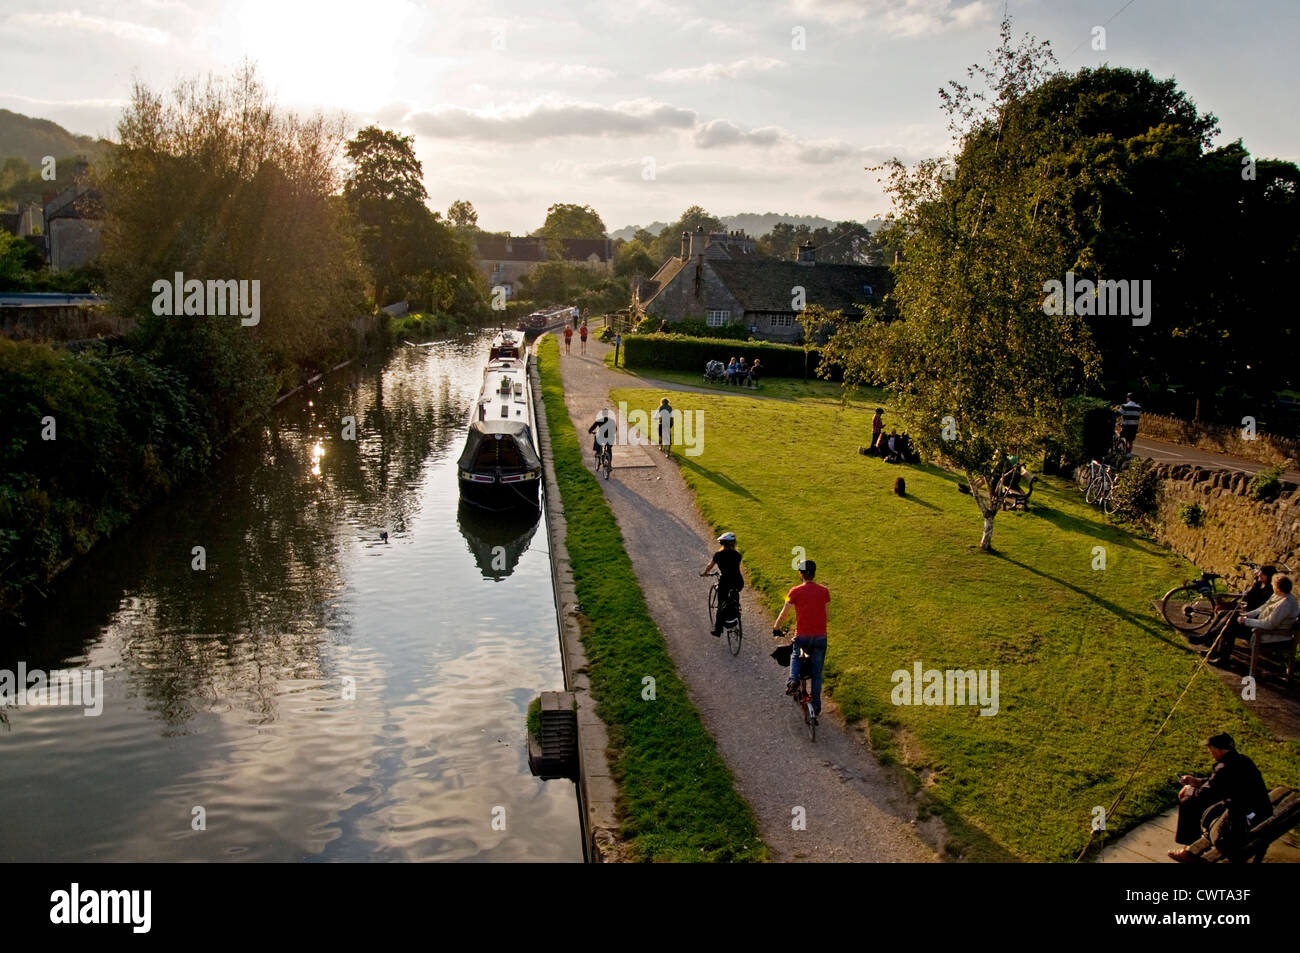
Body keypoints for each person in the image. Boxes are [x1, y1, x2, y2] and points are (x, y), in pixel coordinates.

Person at [1169, 733, 1273, 862]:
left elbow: (1206, 796)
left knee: (1189, 804)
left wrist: (1191, 791)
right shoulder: (1242, 760)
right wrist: (1197, 782)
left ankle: (1191, 850)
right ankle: (1191, 846)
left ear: (1217, 749)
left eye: (1210, 749)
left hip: (1244, 822)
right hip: (1261, 813)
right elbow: (1220, 784)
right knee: (1203, 807)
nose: (1210, 752)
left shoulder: (1225, 768)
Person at [772, 560, 830, 723]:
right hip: (820, 638)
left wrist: (776, 627)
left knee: (796, 655)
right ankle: (817, 705)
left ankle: (793, 681)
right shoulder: (824, 591)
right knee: (817, 674)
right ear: (814, 573)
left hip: (803, 637)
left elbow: (784, 614)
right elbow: (828, 616)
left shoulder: (795, 591)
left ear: (801, 574)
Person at [1207, 573, 1298, 667]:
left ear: (1278, 588)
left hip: (1268, 634)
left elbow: (1269, 624)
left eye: (1273, 586)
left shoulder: (1285, 604)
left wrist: (1246, 621)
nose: (1272, 587)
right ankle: (1211, 643)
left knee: (1230, 626)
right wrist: (1246, 615)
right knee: (1229, 614)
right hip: (1263, 628)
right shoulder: (1278, 595)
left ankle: (1220, 655)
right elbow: (1262, 608)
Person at [701, 532, 743, 638]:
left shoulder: (718, 555)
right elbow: (735, 569)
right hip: (738, 582)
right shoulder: (738, 555)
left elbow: (710, 566)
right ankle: (736, 614)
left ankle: (718, 630)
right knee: (734, 599)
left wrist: (705, 573)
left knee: (721, 605)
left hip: (725, 582)